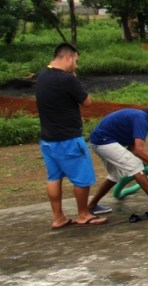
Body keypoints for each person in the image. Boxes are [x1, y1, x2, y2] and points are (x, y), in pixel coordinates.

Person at [36, 43, 108, 229]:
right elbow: (87, 102)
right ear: (68, 57)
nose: (76, 65)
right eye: (75, 61)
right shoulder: (67, 79)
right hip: (69, 138)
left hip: (47, 140)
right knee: (82, 177)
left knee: (54, 177)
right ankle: (83, 214)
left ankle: (58, 217)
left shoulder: (42, 75)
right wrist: (74, 79)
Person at [87, 103, 148, 213]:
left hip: (100, 141)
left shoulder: (142, 118)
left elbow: (132, 149)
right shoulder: (141, 119)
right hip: (103, 141)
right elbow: (139, 150)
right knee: (136, 165)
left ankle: (91, 206)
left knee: (116, 175)